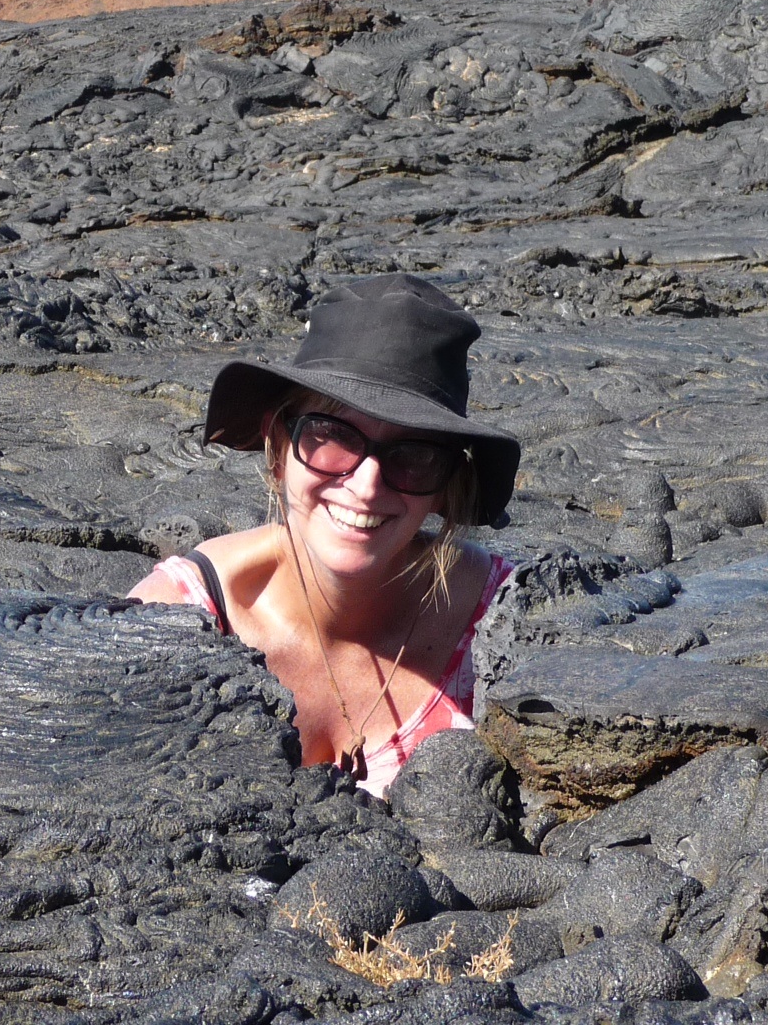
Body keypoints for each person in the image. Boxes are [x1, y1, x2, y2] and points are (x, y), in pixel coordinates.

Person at [129, 274, 519, 797]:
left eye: (414, 455)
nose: (366, 485)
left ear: (447, 484)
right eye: (333, 436)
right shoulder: (178, 618)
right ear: (277, 444)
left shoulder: (504, 624)